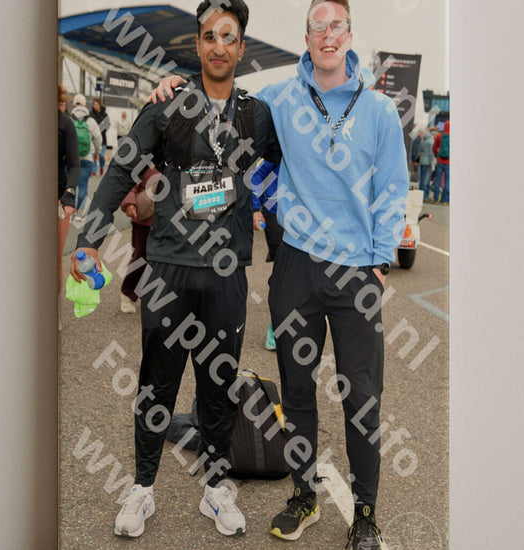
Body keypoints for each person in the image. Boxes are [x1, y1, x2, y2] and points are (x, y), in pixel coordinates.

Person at [152, 1, 408, 547]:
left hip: (357, 272)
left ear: (349, 34)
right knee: (296, 391)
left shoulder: (381, 111)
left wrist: (381, 262)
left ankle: (365, 511)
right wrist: (174, 89)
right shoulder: (279, 99)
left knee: (362, 397)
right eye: (317, 27)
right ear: (307, 37)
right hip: (294, 266)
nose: (327, 35)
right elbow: (222, 100)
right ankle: (304, 496)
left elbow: (392, 188)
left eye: (336, 25)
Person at [70, 0, 280, 540]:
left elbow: (289, 174)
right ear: (197, 44)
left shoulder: (258, 115)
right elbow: (120, 171)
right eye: (209, 35)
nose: (218, 46)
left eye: (228, 36)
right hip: (168, 270)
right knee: (156, 384)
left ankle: (216, 488)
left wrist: (288, 253)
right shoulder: (167, 104)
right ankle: (142, 487)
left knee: (218, 385)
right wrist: (88, 242)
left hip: (226, 274)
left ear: (241, 47)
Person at [251, 159, 283, 350]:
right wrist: (255, 209)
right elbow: (255, 175)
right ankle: (276, 327)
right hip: (276, 213)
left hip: (305, 217)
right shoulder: (279, 146)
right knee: (282, 274)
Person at [118, 165, 159, 314]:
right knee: (141, 257)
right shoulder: (144, 160)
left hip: (168, 221)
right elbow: (130, 182)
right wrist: (129, 202)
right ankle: (127, 293)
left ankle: (150, 295)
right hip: (144, 220)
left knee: (162, 261)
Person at [58, 84, 80, 310]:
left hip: (58, 197)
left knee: (53, 256)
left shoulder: (65, 123)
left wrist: (69, 194)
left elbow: (74, 165)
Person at [71, 94, 102, 218]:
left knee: (71, 186)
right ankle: (79, 213)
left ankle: (69, 210)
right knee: (83, 185)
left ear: (73, 104)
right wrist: (96, 153)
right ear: (85, 105)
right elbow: (98, 139)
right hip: (87, 158)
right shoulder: (91, 121)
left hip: (71, 159)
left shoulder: (69, 119)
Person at [90, 97, 110, 176]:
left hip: (102, 139)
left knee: (101, 155)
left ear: (100, 105)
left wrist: (102, 128)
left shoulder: (104, 115)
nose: (95, 106)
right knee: (94, 155)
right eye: (94, 104)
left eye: (97, 104)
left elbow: (108, 125)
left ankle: (101, 167)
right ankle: (94, 170)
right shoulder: (91, 114)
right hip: (93, 138)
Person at [432, 120, 450, 204]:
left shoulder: (439, 136)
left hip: (440, 161)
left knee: (438, 180)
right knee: (447, 181)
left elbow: (434, 148)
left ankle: (436, 199)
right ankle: (445, 200)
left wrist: (437, 155)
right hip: (449, 162)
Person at [417, 127, 435, 201]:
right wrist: (432, 162)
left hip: (422, 161)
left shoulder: (423, 140)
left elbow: (420, 150)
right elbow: (431, 153)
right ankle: (425, 196)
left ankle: (420, 195)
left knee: (422, 179)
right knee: (426, 180)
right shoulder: (430, 140)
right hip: (428, 162)